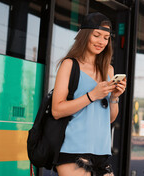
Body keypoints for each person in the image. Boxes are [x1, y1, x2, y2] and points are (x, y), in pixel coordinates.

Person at [51, 12, 127, 176]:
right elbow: (56, 110)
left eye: (106, 38)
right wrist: (92, 95)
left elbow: (110, 119)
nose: (101, 42)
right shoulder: (70, 65)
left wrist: (115, 98)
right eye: (97, 35)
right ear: (85, 35)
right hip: (73, 151)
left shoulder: (109, 70)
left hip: (102, 153)